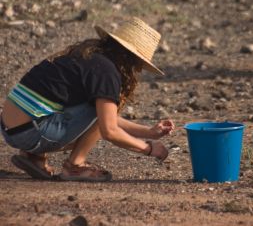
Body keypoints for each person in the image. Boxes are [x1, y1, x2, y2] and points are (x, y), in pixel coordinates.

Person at [0, 17, 175, 181]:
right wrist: (149, 149)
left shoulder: (85, 57)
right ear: (132, 60)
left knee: (92, 109)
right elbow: (109, 129)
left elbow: (98, 118)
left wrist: (149, 132)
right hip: (32, 133)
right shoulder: (107, 72)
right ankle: (75, 166)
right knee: (98, 113)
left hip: (10, 129)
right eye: (139, 65)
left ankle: (34, 156)